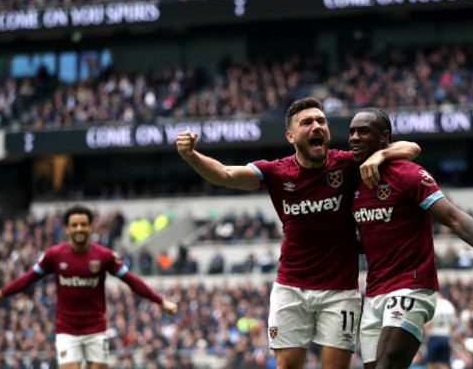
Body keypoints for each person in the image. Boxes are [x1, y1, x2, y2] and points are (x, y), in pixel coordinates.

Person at [175, 97, 420, 369]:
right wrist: (191, 156)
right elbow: (225, 174)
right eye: (307, 122)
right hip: (291, 288)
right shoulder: (275, 171)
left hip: (340, 291)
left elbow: (412, 147)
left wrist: (382, 154)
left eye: (321, 121)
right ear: (291, 136)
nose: (317, 126)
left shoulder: (348, 163)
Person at [348, 108, 473, 369]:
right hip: (373, 292)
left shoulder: (408, 174)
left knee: (386, 365)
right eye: (351, 132)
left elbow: (454, 217)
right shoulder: (353, 178)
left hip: (411, 284)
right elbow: (368, 240)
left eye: (363, 131)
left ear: (384, 137)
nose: (354, 137)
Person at [0, 205, 178, 369]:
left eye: (83, 224)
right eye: (74, 225)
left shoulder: (104, 256)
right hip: (67, 330)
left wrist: (161, 302)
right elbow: (28, 279)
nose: (79, 229)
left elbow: (132, 281)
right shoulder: (55, 255)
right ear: (67, 228)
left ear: (90, 227)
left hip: (96, 329)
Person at [423, 294, 456, 369]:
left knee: (430, 363)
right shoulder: (449, 305)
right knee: (444, 363)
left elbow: (428, 324)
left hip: (434, 336)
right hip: (446, 337)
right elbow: (453, 325)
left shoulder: (433, 304)